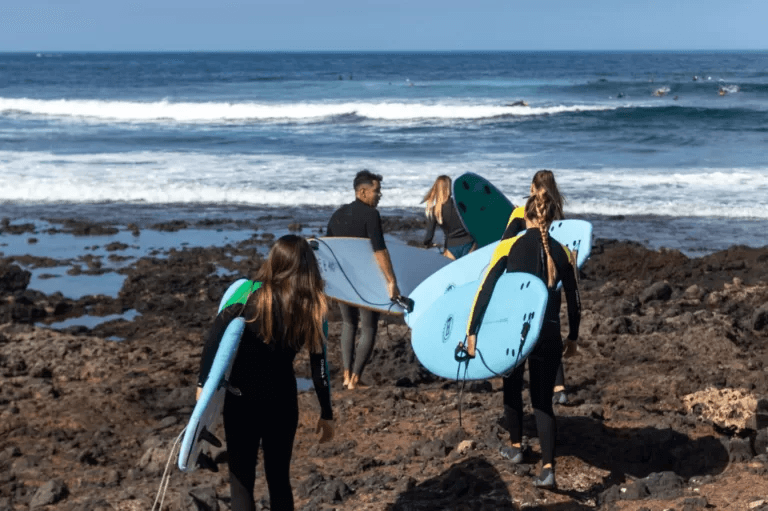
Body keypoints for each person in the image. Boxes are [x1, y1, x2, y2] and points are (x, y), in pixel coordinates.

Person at [196, 235, 334, 511]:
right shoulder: (314, 306)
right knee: (279, 479)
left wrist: (203, 387)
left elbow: (213, 341)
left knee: (241, 481)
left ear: (274, 261)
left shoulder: (247, 293)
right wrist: (326, 412)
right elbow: (319, 368)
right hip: (282, 400)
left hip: (241, 399)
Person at [465, 189, 581, 490]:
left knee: (512, 387)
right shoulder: (562, 251)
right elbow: (574, 300)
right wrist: (573, 337)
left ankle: (516, 447)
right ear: (552, 220)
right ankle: (548, 468)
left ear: (525, 217)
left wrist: (472, 331)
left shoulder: (509, 246)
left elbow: (486, 290)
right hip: (549, 332)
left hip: (515, 333)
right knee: (543, 402)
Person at [326, 170, 400, 390]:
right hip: (366, 281)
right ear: (363, 192)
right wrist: (391, 280)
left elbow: (328, 249)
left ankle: (346, 376)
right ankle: (355, 380)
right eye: (377, 191)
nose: (380, 195)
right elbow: (379, 250)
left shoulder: (337, 214)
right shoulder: (371, 215)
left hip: (343, 280)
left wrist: (330, 282)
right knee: (369, 327)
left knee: (348, 324)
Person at [503, 170, 570, 405]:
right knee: (551, 328)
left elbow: (504, 244)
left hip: (527, 281)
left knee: (524, 328)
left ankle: (519, 384)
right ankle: (559, 387)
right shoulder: (556, 210)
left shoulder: (523, 212)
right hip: (552, 278)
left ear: (533, 187)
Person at [421, 175, 475, 260]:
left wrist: (427, 244)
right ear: (449, 187)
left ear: (436, 188)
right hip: (468, 244)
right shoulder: (460, 204)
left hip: (451, 248)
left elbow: (429, 235)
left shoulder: (434, 210)